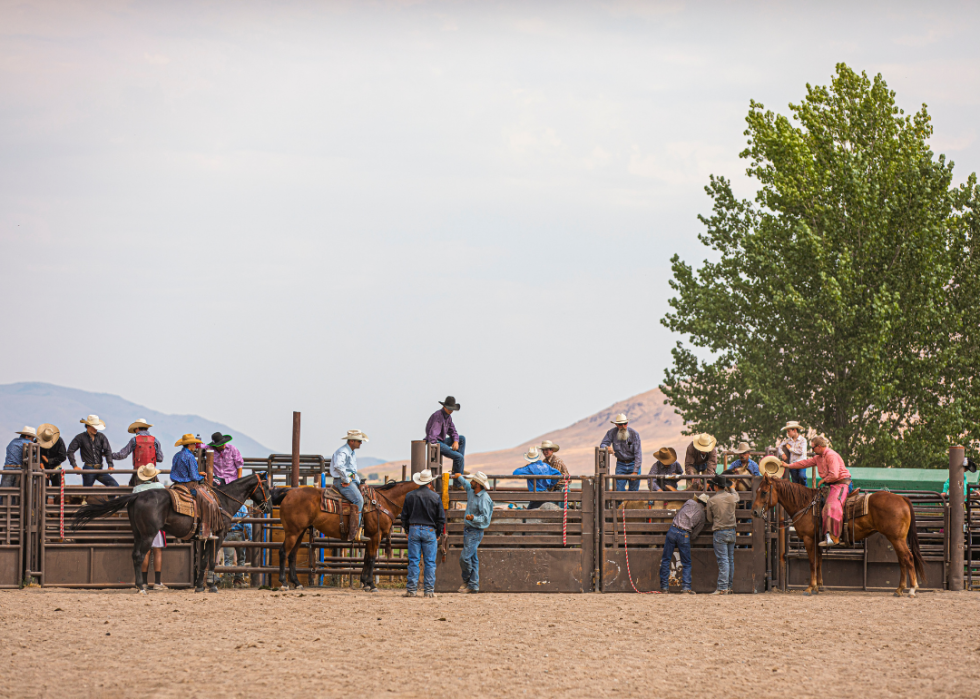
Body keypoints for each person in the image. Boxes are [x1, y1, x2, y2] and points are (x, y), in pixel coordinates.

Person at [782, 436, 851, 547]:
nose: (812, 450)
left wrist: (823, 480)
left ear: (819, 447)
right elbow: (804, 463)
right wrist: (789, 465)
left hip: (840, 484)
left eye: (813, 448)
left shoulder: (831, 455)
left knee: (831, 505)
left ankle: (833, 537)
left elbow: (834, 475)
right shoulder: (818, 458)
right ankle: (820, 532)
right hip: (831, 485)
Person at [401, 469, 445, 598]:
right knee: (430, 562)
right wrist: (438, 533)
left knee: (414, 560)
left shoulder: (410, 495)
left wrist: (407, 531)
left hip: (414, 529)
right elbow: (441, 518)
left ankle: (411, 590)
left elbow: (404, 516)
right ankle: (429, 590)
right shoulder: (435, 497)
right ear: (430, 483)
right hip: (430, 530)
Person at [658, 493, 709, 594]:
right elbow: (695, 534)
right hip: (685, 534)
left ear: (698, 500)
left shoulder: (689, 502)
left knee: (666, 559)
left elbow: (680, 512)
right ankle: (686, 587)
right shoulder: (702, 516)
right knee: (686, 563)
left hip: (673, 529)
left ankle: (664, 587)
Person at [453, 471, 493, 593]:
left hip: (475, 530)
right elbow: (466, 484)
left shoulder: (484, 499)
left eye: (473, 481)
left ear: (478, 484)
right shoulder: (472, 491)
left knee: (464, 558)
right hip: (470, 530)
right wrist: (459, 477)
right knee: (473, 559)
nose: (471, 482)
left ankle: (467, 580)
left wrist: (473, 518)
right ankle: (473, 586)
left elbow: (485, 519)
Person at [170, 433, 214, 539]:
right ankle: (204, 530)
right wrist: (202, 478)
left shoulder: (177, 455)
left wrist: (199, 473)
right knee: (208, 501)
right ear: (190, 445)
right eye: (194, 444)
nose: (195, 446)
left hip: (176, 484)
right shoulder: (190, 457)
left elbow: (180, 471)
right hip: (188, 486)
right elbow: (194, 476)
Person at [132, 464, 168, 590]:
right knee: (157, 550)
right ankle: (157, 582)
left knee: (145, 550)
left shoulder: (136, 489)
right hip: (157, 521)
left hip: (141, 523)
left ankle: (144, 581)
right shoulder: (160, 487)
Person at [330, 430, 368, 542]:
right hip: (342, 481)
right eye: (359, 441)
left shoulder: (351, 452)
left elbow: (351, 471)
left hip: (350, 480)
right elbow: (338, 466)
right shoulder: (343, 452)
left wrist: (360, 482)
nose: (361, 443)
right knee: (359, 500)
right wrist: (346, 479)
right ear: (352, 441)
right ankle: (354, 532)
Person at [706, 474, 739, 595]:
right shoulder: (732, 497)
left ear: (715, 487)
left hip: (720, 531)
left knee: (723, 560)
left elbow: (709, 519)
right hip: (732, 530)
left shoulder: (711, 501)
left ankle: (722, 587)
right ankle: (729, 586)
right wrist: (732, 487)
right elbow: (737, 496)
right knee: (730, 559)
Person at [67, 415, 119, 487]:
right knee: (87, 492)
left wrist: (110, 465)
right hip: (88, 468)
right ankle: (84, 498)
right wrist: (74, 466)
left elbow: (108, 451)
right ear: (88, 426)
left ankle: (110, 499)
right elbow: (70, 451)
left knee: (114, 485)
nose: (96, 429)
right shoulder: (80, 437)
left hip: (100, 468)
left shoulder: (101, 437)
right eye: (94, 427)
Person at [112, 419, 164, 486]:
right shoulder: (155, 440)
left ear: (137, 428)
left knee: (131, 490)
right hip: (151, 473)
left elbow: (122, 455)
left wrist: (108, 455)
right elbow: (160, 458)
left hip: (138, 472)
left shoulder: (134, 439)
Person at [600, 414, 642, 492]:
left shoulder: (634, 434)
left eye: (625, 423)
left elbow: (638, 454)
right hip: (620, 464)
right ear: (616, 425)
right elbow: (602, 444)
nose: (623, 426)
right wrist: (607, 448)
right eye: (620, 424)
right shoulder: (611, 433)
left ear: (627, 423)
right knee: (619, 490)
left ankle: (631, 504)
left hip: (633, 464)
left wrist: (635, 471)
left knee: (633, 491)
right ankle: (620, 504)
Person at [425, 396, 466, 475]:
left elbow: (453, 431)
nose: (451, 410)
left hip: (441, 441)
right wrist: (444, 448)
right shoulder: (438, 416)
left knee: (462, 439)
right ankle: (458, 482)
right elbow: (433, 437)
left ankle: (458, 468)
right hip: (435, 443)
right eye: (449, 408)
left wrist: (456, 441)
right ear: (444, 407)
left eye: (452, 409)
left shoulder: (448, 417)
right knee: (459, 457)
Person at [2, 426, 35, 504]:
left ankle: (2, 511)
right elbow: (34, 457)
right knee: (16, 493)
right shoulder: (28, 443)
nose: (32, 440)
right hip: (18, 470)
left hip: (7, 469)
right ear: (27, 436)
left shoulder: (13, 441)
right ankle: (14, 513)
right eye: (32, 438)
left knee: (4, 492)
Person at [222, 503, 252, 588]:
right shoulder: (243, 507)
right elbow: (248, 525)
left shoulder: (227, 506)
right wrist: (250, 537)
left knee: (228, 560)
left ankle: (228, 581)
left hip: (228, 534)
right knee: (241, 558)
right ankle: (238, 580)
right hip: (239, 534)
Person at [777, 420, 808, 486]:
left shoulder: (803, 440)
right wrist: (782, 453)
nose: (788, 433)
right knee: (795, 480)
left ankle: (806, 490)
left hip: (801, 462)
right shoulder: (788, 440)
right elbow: (779, 447)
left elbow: (800, 452)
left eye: (789, 431)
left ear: (794, 430)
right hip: (792, 463)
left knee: (802, 477)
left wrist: (790, 449)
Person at [36, 424, 67, 491]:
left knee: (58, 491)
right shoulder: (37, 441)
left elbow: (63, 456)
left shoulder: (59, 441)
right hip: (42, 468)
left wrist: (48, 461)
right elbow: (36, 456)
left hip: (55, 468)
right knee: (42, 492)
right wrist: (43, 468)